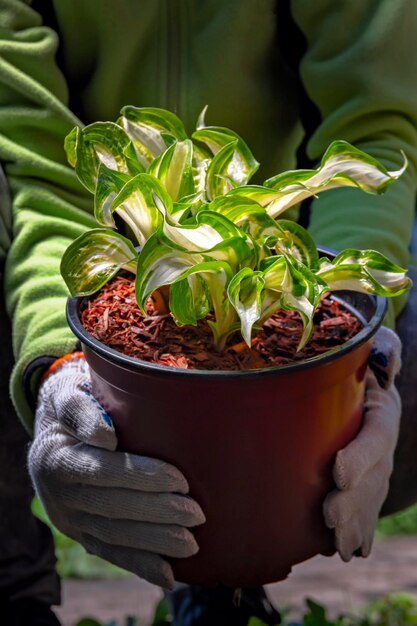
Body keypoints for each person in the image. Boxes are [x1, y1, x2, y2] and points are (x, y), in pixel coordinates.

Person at [1, 1, 417, 624]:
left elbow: (372, 119)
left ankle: (229, 576)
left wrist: (368, 353)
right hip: (106, 245)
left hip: (281, 244)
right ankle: (12, 589)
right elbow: (34, 162)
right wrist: (53, 364)